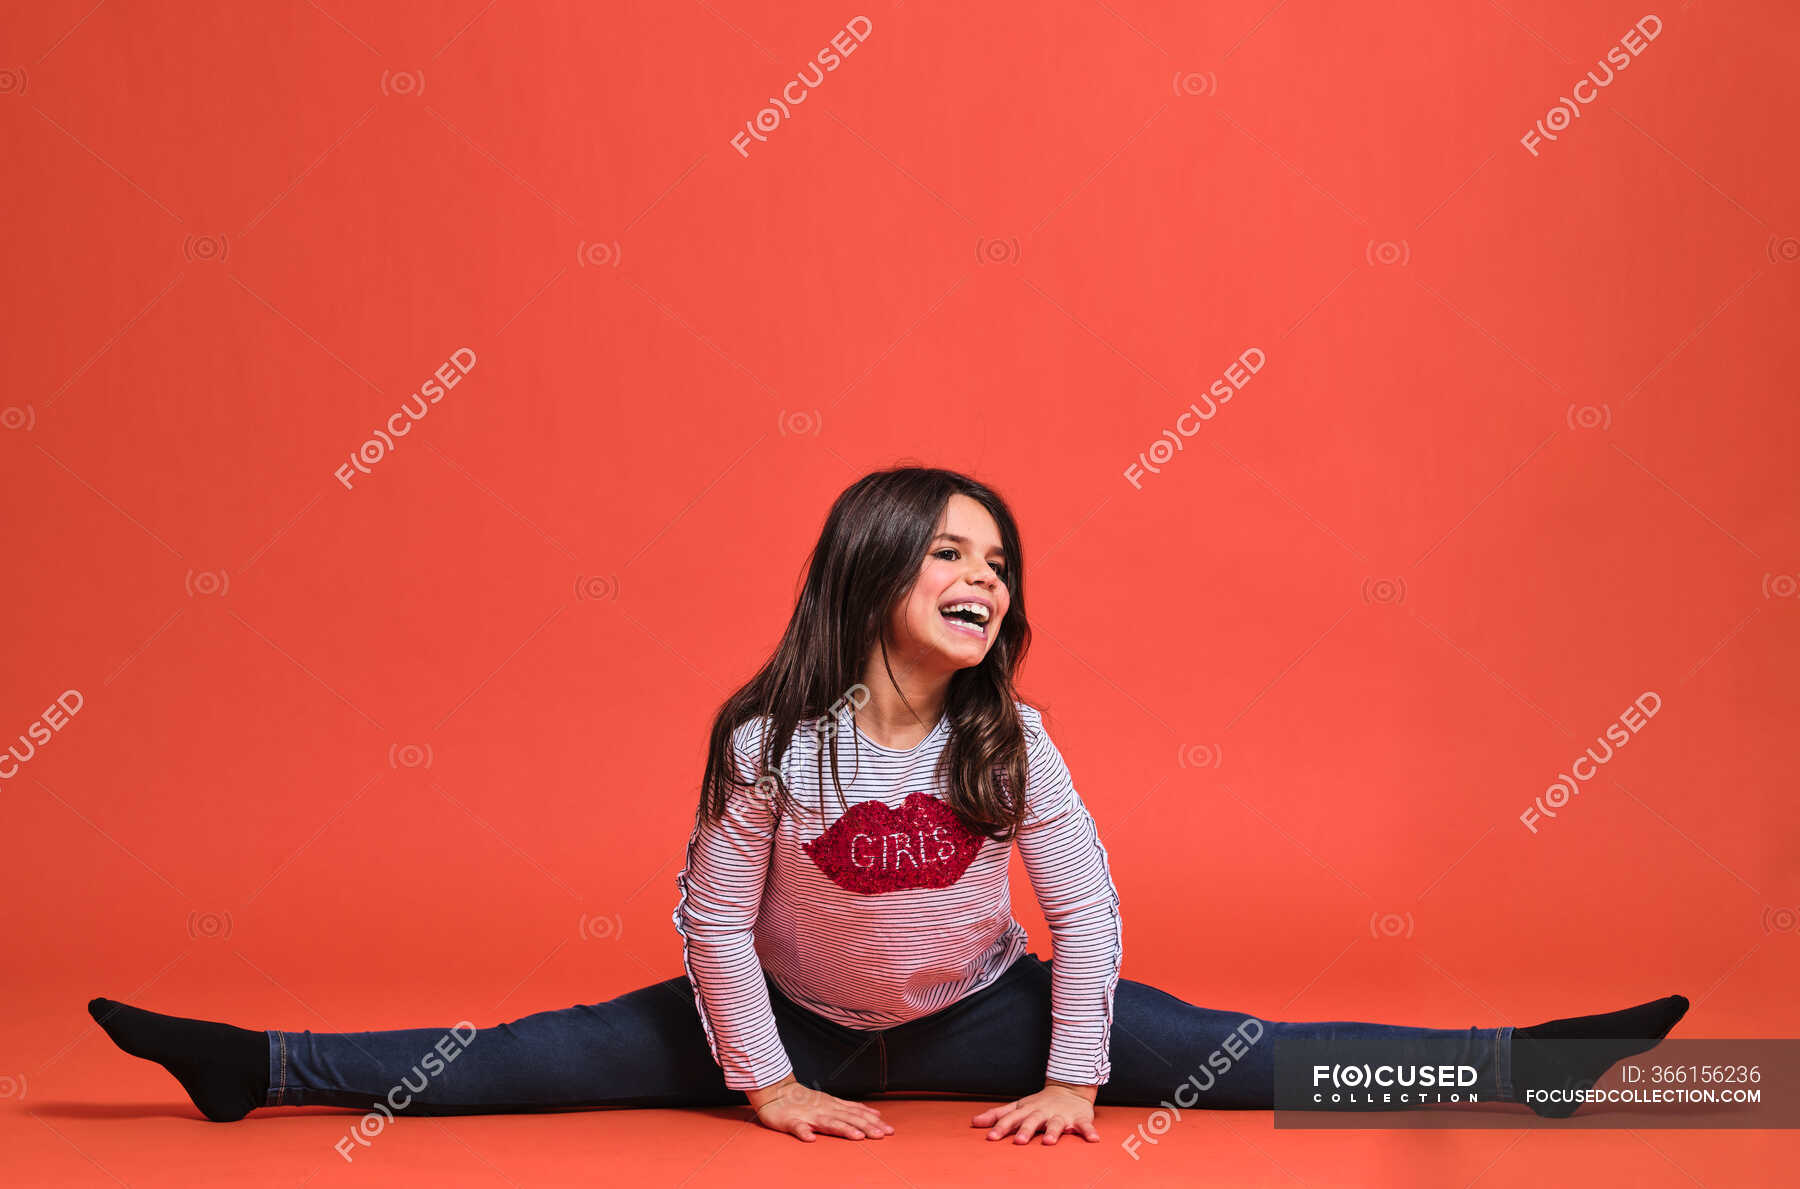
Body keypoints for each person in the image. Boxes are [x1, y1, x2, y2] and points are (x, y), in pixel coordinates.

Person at [88, 466, 1689, 1143]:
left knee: (1237, 1053)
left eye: (998, 561)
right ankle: (263, 1067)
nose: (983, 578)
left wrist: (1072, 1074)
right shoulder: (771, 736)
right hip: (780, 1015)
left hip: (979, 1019)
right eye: (949, 552)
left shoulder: (1015, 739)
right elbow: (712, 917)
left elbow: (1092, 910)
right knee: (527, 1057)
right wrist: (763, 1078)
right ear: (869, 571)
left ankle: (1527, 1073)